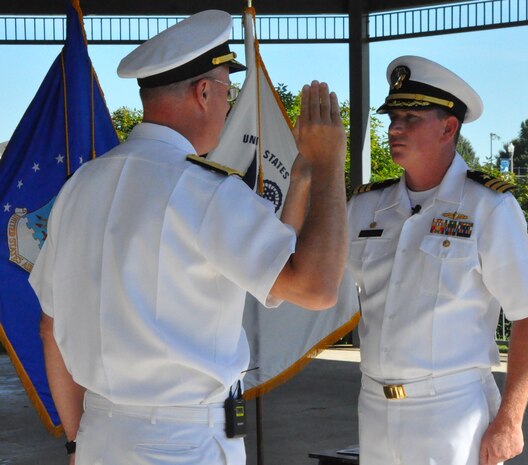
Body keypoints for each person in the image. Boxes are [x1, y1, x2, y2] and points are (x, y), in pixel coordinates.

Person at [29, 10, 348, 465]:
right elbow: (315, 287)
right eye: (226, 92)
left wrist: (79, 442)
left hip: (100, 436)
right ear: (203, 92)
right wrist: (330, 163)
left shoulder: (81, 186)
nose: (226, 104)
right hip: (184, 443)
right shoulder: (206, 189)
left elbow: (50, 328)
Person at [347, 55, 528, 465]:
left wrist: (510, 420)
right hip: (373, 405)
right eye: (393, 117)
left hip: (452, 412)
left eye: (410, 118)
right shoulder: (365, 207)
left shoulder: (487, 206)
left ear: (448, 127)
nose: (394, 129)